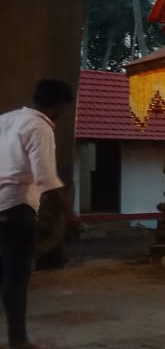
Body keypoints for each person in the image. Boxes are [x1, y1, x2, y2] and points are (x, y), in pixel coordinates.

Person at [0, 79, 75, 349]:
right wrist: (70, 214)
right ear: (57, 105)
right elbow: (46, 178)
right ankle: (18, 339)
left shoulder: (6, 120)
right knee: (17, 277)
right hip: (17, 207)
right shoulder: (40, 127)